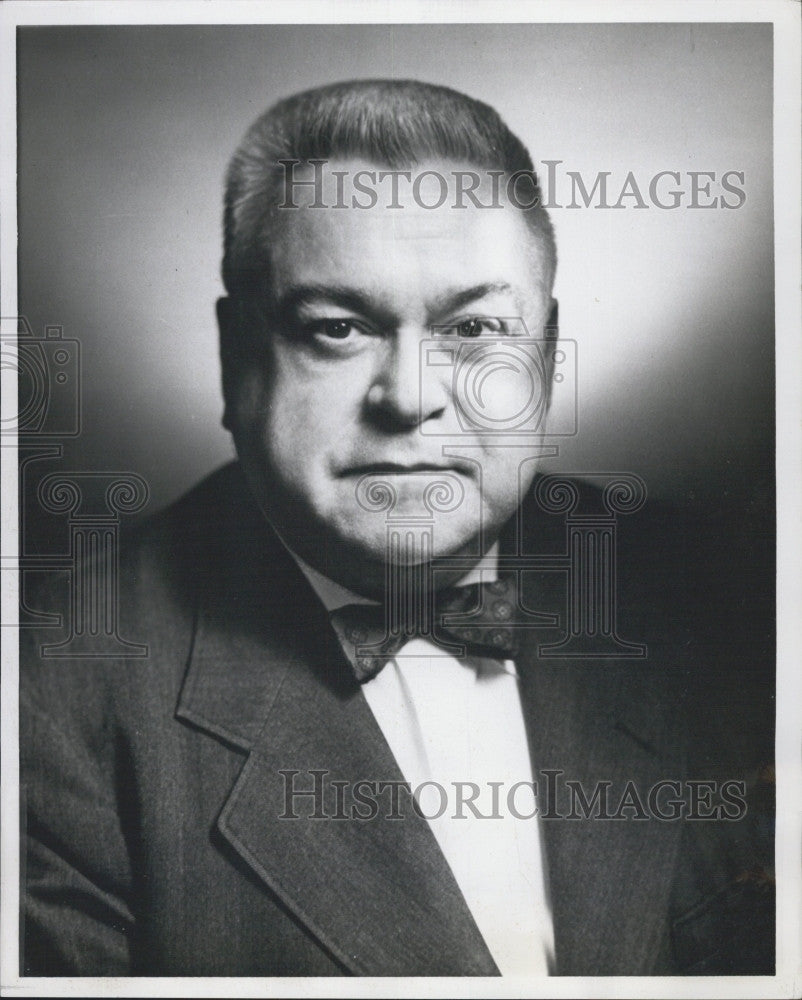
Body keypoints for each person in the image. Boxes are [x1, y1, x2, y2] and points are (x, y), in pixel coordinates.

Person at [20, 79, 773, 977]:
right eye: (337, 328)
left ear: (545, 354)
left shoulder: (735, 595)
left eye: (476, 327)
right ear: (236, 361)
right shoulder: (44, 700)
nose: (411, 396)